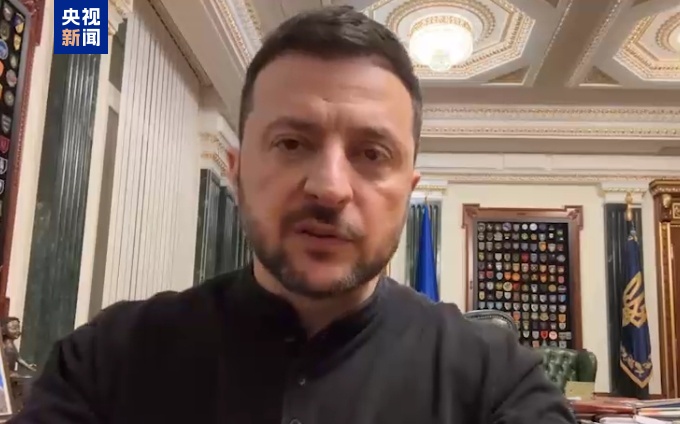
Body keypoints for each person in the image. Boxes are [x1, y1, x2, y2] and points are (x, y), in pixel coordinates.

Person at [10, 5, 575, 424]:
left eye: (371, 154)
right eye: (291, 143)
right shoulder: (105, 362)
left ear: (408, 191)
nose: (329, 188)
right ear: (235, 171)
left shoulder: (498, 382)